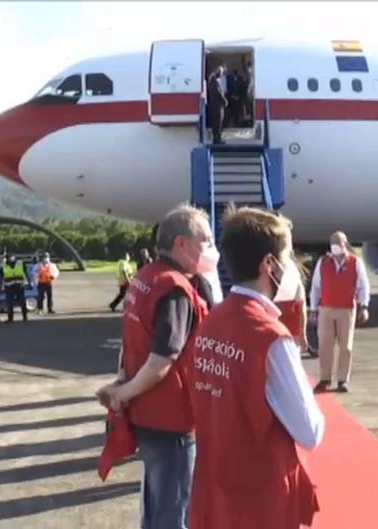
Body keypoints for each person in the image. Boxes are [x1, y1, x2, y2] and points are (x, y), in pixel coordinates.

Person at [188, 206, 324, 529]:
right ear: (269, 264)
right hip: (261, 500)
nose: (292, 267)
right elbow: (310, 431)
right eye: (288, 257)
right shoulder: (270, 338)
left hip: (216, 489)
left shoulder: (211, 322)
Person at [96, 204, 218, 529]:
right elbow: (163, 360)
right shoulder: (175, 289)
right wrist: (122, 392)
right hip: (173, 418)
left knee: (156, 501)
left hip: (147, 414)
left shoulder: (145, 279)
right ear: (181, 243)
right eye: (205, 240)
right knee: (173, 509)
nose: (210, 248)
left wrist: (123, 386)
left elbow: (132, 342)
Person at [308, 231, 371, 393]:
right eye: (333, 243)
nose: (336, 246)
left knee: (346, 346)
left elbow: (363, 285)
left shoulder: (355, 263)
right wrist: (313, 309)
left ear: (345, 244)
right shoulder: (323, 262)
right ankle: (325, 378)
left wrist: (364, 306)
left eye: (339, 242)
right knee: (325, 344)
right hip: (326, 308)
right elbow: (316, 288)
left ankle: (343, 380)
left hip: (347, 309)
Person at [2, 254, 28, 322]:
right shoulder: (4, 266)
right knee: (9, 303)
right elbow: (1, 276)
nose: (11, 258)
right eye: (9, 257)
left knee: (22, 301)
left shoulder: (20, 264)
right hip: (9, 287)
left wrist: (27, 282)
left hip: (19, 286)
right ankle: (10, 318)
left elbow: (26, 273)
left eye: (12, 257)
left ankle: (25, 317)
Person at [206, 65, 228, 144]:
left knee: (217, 123)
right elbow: (218, 93)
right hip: (217, 105)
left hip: (215, 104)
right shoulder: (215, 81)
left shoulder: (213, 80)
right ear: (218, 71)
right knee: (218, 123)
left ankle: (217, 138)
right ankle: (217, 140)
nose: (222, 74)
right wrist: (224, 100)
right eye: (221, 72)